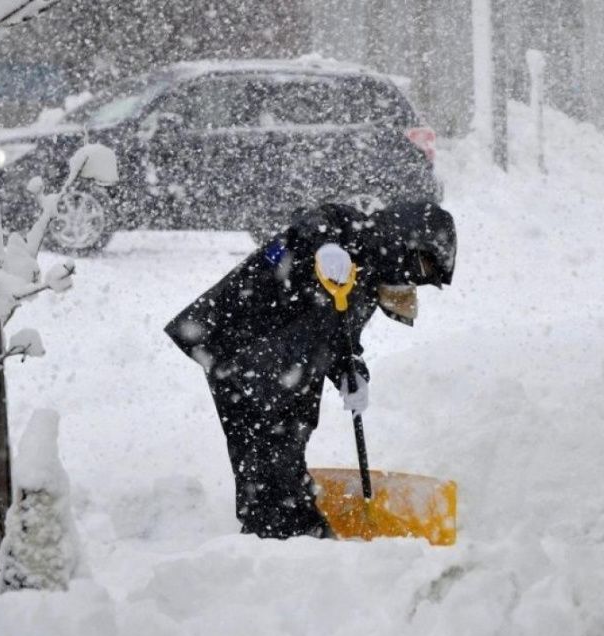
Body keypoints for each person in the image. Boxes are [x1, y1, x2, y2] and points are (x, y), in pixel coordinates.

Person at [164, 202, 456, 539]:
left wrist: (351, 371)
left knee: (280, 440)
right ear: (404, 238)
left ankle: (276, 530)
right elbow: (312, 219)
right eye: (419, 265)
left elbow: (340, 337)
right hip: (242, 342)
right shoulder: (348, 227)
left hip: (280, 358)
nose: (412, 278)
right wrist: (326, 246)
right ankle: (289, 532)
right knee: (273, 439)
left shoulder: (367, 282)